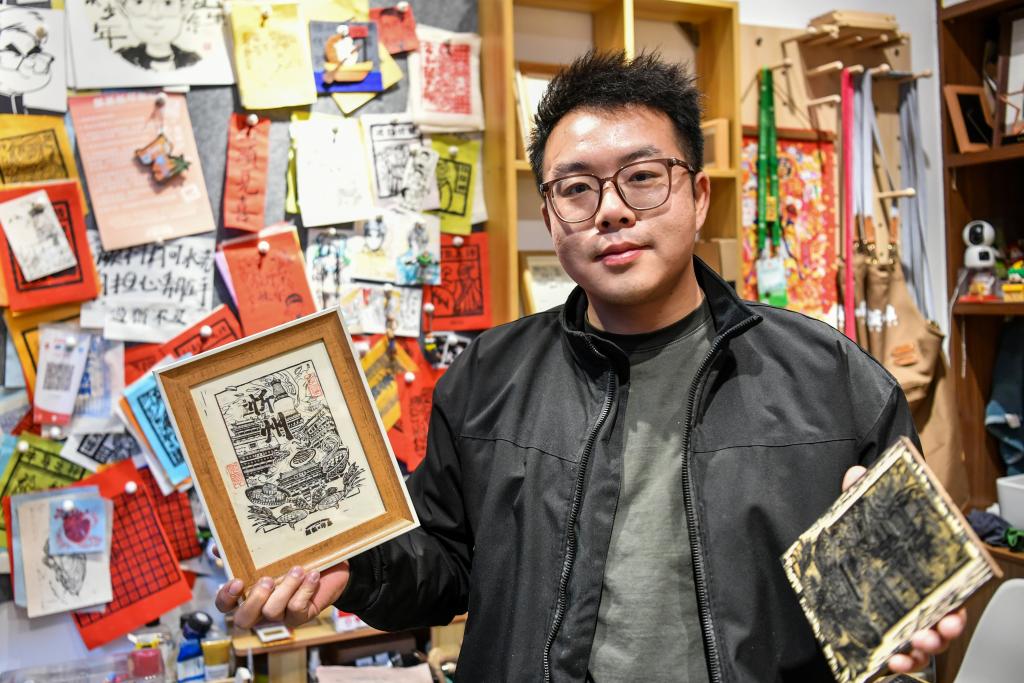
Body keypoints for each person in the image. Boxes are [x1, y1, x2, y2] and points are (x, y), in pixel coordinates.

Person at [216, 52, 965, 681]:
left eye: (643, 176)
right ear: (551, 218)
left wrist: (908, 609)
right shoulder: (488, 377)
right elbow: (445, 563)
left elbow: (895, 595)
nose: (610, 210)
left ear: (699, 195)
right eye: (576, 188)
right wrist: (356, 567)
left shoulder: (831, 381)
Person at [114, 0, 200, 71]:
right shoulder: (123, 57)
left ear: (184, 8)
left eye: (167, 3)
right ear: (124, 9)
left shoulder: (191, 60)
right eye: (140, 2)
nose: (154, 15)